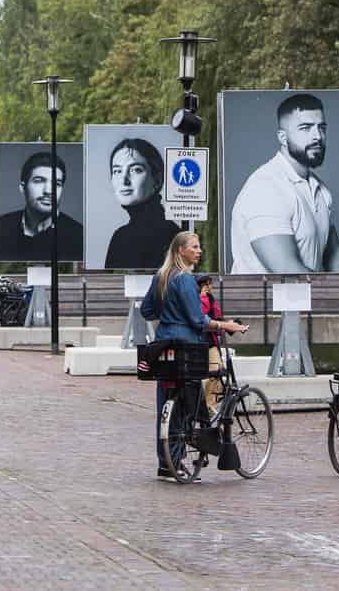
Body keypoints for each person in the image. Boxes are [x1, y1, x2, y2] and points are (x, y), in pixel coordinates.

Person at [140, 232, 248, 480]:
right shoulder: (185, 280)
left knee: (166, 403)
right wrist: (226, 325)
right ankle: (178, 460)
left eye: (199, 246)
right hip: (187, 344)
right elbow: (198, 320)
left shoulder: (161, 277)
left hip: (163, 343)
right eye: (195, 247)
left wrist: (168, 313)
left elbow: (147, 311)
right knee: (186, 404)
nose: (199, 251)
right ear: (181, 251)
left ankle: (165, 463)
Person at [230, 93, 339, 273]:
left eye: (321, 128)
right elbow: (288, 272)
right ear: (282, 137)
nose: (317, 137)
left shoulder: (320, 190)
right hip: (267, 301)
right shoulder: (265, 189)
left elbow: (335, 255)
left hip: (305, 298)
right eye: (305, 128)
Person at [103, 138, 178, 270]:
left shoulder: (170, 235)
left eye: (136, 170)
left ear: (157, 180)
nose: (124, 180)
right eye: (117, 171)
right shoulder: (121, 236)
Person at [0, 150, 84, 261]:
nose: (48, 191)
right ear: (23, 187)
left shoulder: (78, 236)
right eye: (39, 181)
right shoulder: (0, 227)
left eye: (56, 184)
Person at [196, 273, 226, 414]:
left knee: (218, 370)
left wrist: (228, 325)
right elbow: (202, 316)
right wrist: (202, 298)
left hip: (211, 342)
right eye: (204, 284)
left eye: (209, 284)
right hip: (198, 342)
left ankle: (209, 405)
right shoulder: (196, 299)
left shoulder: (211, 299)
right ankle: (202, 405)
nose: (208, 287)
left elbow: (217, 317)